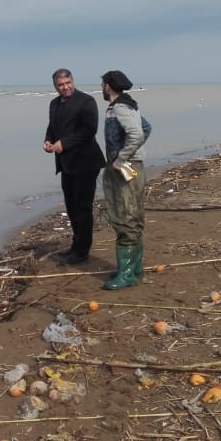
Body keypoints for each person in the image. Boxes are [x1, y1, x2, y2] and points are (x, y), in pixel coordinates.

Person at [43, 69, 105, 264]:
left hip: (86, 162)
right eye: (61, 85)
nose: (65, 87)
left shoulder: (86, 101)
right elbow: (52, 126)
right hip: (66, 164)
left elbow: (89, 129)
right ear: (55, 86)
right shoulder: (54, 104)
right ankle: (76, 245)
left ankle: (82, 251)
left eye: (68, 82)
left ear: (73, 81)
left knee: (82, 208)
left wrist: (64, 143)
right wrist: (48, 140)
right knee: (71, 207)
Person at [100, 70, 150, 290]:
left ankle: (127, 273)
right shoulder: (129, 105)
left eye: (102, 84)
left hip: (125, 170)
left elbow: (138, 134)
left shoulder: (120, 107)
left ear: (108, 86)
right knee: (133, 215)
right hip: (133, 166)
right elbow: (146, 128)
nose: (101, 87)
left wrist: (121, 158)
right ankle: (133, 267)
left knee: (124, 217)